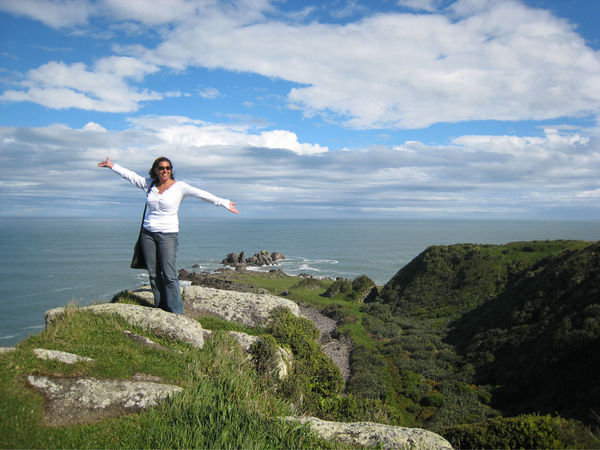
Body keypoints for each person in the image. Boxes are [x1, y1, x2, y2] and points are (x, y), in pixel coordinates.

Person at [98, 156, 239, 314]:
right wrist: (112, 166)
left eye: (168, 168)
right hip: (147, 234)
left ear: (171, 170)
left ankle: (176, 312)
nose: (165, 171)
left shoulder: (179, 187)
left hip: (168, 235)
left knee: (169, 273)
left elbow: (201, 194)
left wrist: (224, 202)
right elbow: (131, 176)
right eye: (161, 168)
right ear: (155, 170)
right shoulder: (150, 184)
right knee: (153, 273)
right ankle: (160, 307)